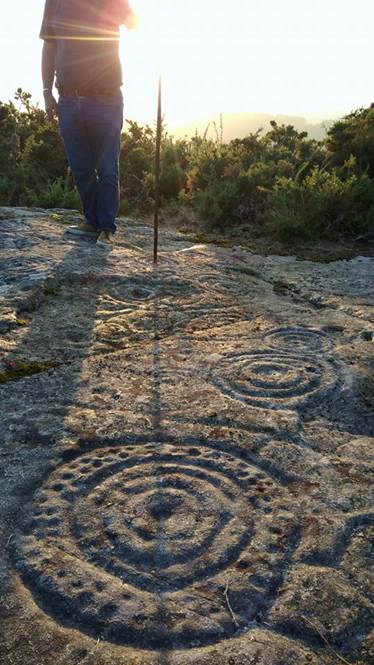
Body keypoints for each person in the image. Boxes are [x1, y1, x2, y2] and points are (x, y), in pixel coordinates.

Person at [40, 0, 136, 246]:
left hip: (106, 97)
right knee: (81, 168)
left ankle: (106, 227)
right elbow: (49, 47)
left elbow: (133, 22)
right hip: (69, 98)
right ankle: (91, 221)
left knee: (107, 168)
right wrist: (46, 91)